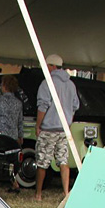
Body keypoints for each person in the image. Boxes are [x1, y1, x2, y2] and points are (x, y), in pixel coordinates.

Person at [34, 54, 80, 200]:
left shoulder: (47, 83)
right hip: (63, 129)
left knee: (42, 161)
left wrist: (38, 125)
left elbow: (43, 105)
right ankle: (66, 193)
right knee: (63, 161)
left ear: (51, 66)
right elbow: (75, 106)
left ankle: (38, 194)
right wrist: (68, 122)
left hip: (48, 128)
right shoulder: (71, 84)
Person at [0, 75, 25, 193]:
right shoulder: (18, 103)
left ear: (5, 86)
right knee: (11, 160)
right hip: (12, 135)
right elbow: (20, 121)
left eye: (2, 84)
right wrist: (20, 136)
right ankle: (14, 182)